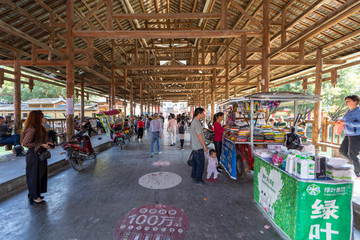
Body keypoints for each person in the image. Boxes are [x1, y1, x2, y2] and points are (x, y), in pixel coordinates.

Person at [21, 110, 52, 205]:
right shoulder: (32, 129)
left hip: (39, 154)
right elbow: (25, 143)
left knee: (40, 174)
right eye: (42, 116)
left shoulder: (39, 128)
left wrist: (46, 143)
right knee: (34, 175)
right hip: (33, 155)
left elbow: (38, 141)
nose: (44, 118)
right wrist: (41, 144)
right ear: (37, 118)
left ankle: (36, 194)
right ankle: (34, 196)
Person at [338, 95, 360, 177]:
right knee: (342, 151)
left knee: (353, 155)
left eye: (348, 101)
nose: (346, 102)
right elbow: (345, 119)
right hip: (348, 134)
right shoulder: (348, 111)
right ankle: (357, 164)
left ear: (355, 102)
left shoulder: (358, 111)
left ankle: (358, 173)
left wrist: (346, 123)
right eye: (346, 101)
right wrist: (340, 120)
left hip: (356, 135)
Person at [190, 107, 208, 185]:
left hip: (194, 146)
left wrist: (202, 130)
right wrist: (204, 146)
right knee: (200, 164)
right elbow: (199, 136)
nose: (203, 115)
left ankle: (193, 175)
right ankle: (198, 180)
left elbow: (197, 131)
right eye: (203, 113)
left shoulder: (194, 121)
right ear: (199, 114)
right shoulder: (197, 122)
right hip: (198, 146)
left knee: (195, 163)